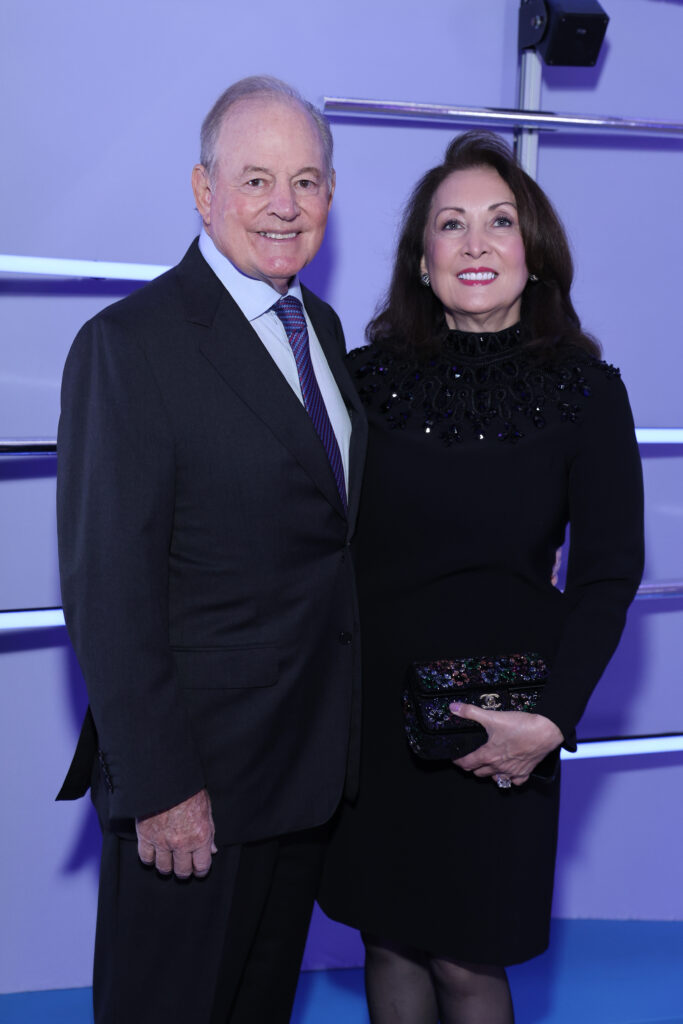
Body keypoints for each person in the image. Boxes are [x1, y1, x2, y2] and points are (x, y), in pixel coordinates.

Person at [56, 75, 366, 1024]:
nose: (285, 206)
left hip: (305, 776)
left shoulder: (319, 326)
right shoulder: (130, 345)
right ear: (202, 190)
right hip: (197, 793)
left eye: (307, 181)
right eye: (258, 179)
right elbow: (108, 586)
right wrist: (161, 786)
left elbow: (330, 532)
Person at [318, 131, 644, 1023]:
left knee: (467, 962)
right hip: (375, 728)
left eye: (498, 222)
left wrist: (549, 723)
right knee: (386, 944)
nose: (473, 243)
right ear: (420, 262)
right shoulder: (362, 383)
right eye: (449, 224)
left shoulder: (587, 392)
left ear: (531, 253)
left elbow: (609, 575)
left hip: (505, 727)